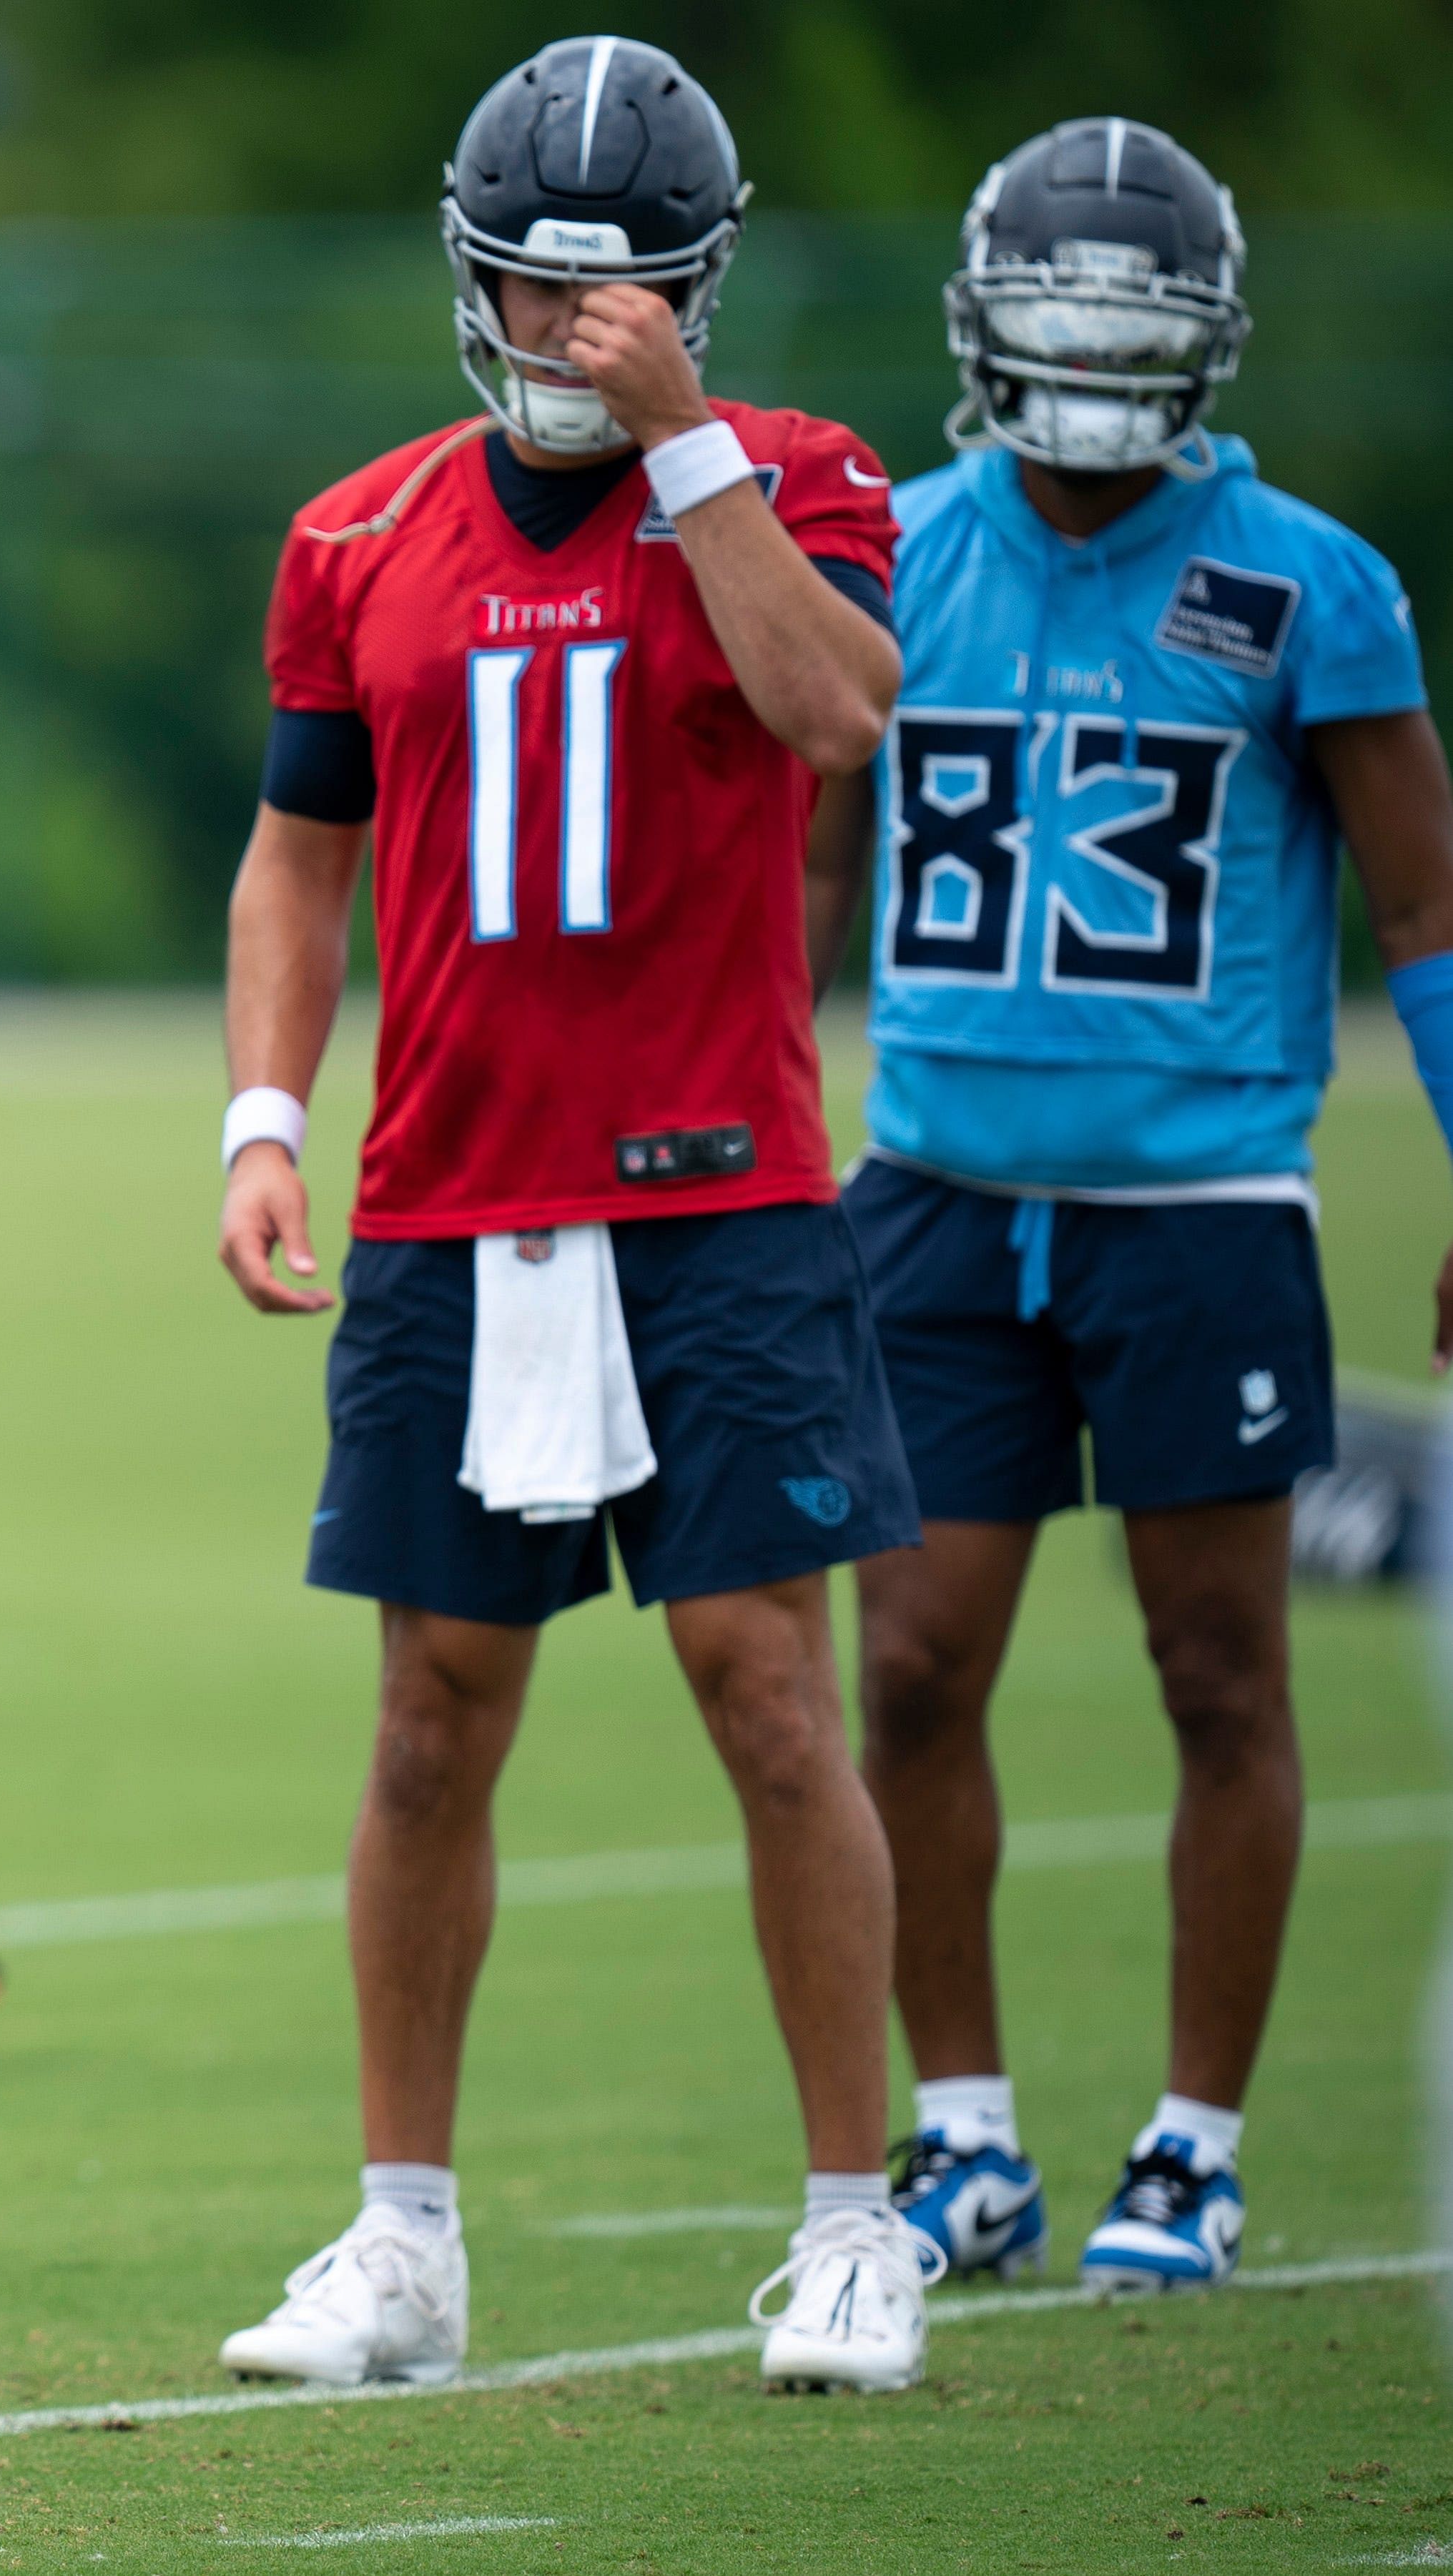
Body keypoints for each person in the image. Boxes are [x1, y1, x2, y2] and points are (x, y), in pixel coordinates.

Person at [212, 36, 946, 2394]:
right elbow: (298, 851)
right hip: (448, 1191)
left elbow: (838, 714)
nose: (562, 329)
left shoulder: (803, 482)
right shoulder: (359, 532)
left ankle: (861, 2222)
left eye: (608, 296)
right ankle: (402, 2237)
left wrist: (685, 440)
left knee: (766, 1688)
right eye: (530, 289)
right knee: (431, 1720)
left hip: (720, 1192)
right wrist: (256, 1115)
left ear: (697, 292)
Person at [813, 119, 1453, 2296]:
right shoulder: (885, 552)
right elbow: (802, 879)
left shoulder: (1312, 582)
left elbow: (1427, 903)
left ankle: (1192, 2141)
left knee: (1220, 1670)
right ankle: (968, 2132)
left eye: (1129, 331)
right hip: (937, 1191)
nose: (1090, 371)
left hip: (1200, 1204)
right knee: (908, 1661)